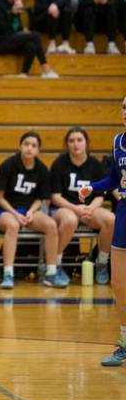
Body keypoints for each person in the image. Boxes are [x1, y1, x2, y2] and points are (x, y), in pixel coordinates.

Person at [79, 96, 126, 367]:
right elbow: (114, 179)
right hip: (124, 213)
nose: (125, 112)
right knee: (119, 283)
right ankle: (124, 341)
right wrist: (92, 187)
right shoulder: (118, 142)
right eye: (123, 107)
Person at [0, 131, 66, 289]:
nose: (29, 148)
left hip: (28, 211)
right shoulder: (7, 165)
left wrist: (31, 212)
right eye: (26, 144)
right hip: (5, 211)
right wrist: (15, 213)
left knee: (51, 225)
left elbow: (41, 198)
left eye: (34, 146)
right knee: (13, 225)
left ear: (38, 150)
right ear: (20, 146)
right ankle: (8, 274)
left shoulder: (41, 169)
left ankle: (51, 273)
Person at [50, 127, 114, 285]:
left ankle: (102, 263)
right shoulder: (59, 163)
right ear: (66, 144)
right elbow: (55, 197)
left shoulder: (96, 165)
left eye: (79, 140)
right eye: (71, 141)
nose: (75, 144)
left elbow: (100, 195)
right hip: (63, 209)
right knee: (70, 220)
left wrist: (91, 207)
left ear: (86, 143)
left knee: (111, 220)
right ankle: (56, 264)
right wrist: (75, 208)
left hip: (88, 208)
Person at [0, 0, 60, 78]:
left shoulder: (15, 3)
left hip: (10, 38)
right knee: (35, 36)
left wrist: (17, 15)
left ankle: (24, 73)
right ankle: (45, 67)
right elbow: (1, 28)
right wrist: (12, 13)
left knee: (31, 45)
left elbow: (17, 28)